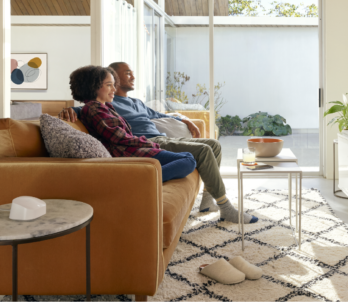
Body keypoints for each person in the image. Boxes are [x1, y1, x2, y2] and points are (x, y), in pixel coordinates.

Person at [60, 62, 257, 224]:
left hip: (157, 140)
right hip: (145, 144)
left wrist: (183, 118)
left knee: (214, 144)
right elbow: (89, 111)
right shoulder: (107, 104)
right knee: (203, 152)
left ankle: (207, 201)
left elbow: (159, 115)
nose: (131, 77)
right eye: (125, 74)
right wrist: (69, 111)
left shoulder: (135, 102)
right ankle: (226, 207)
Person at [69, 65, 196, 182]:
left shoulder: (105, 107)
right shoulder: (94, 108)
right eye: (109, 85)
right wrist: (149, 143)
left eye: (114, 84)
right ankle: (141, 181)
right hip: (126, 153)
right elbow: (119, 138)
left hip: (131, 150)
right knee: (188, 160)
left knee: (187, 157)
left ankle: (148, 177)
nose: (114, 89)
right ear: (93, 86)